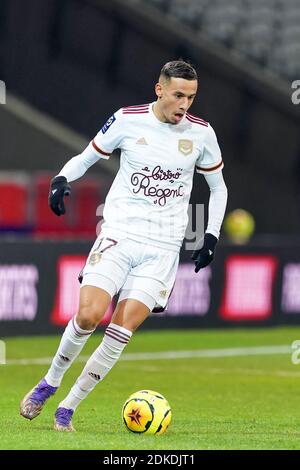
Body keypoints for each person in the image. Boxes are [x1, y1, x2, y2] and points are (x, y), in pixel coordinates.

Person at [20, 60, 228, 431]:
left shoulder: (202, 134)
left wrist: (210, 234)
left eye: (192, 97)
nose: (185, 104)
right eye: (179, 95)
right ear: (159, 89)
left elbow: (218, 187)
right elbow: (89, 156)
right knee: (87, 315)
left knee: (121, 329)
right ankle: (49, 382)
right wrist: (62, 178)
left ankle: (68, 408)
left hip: (163, 247)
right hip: (119, 234)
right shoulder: (127, 120)